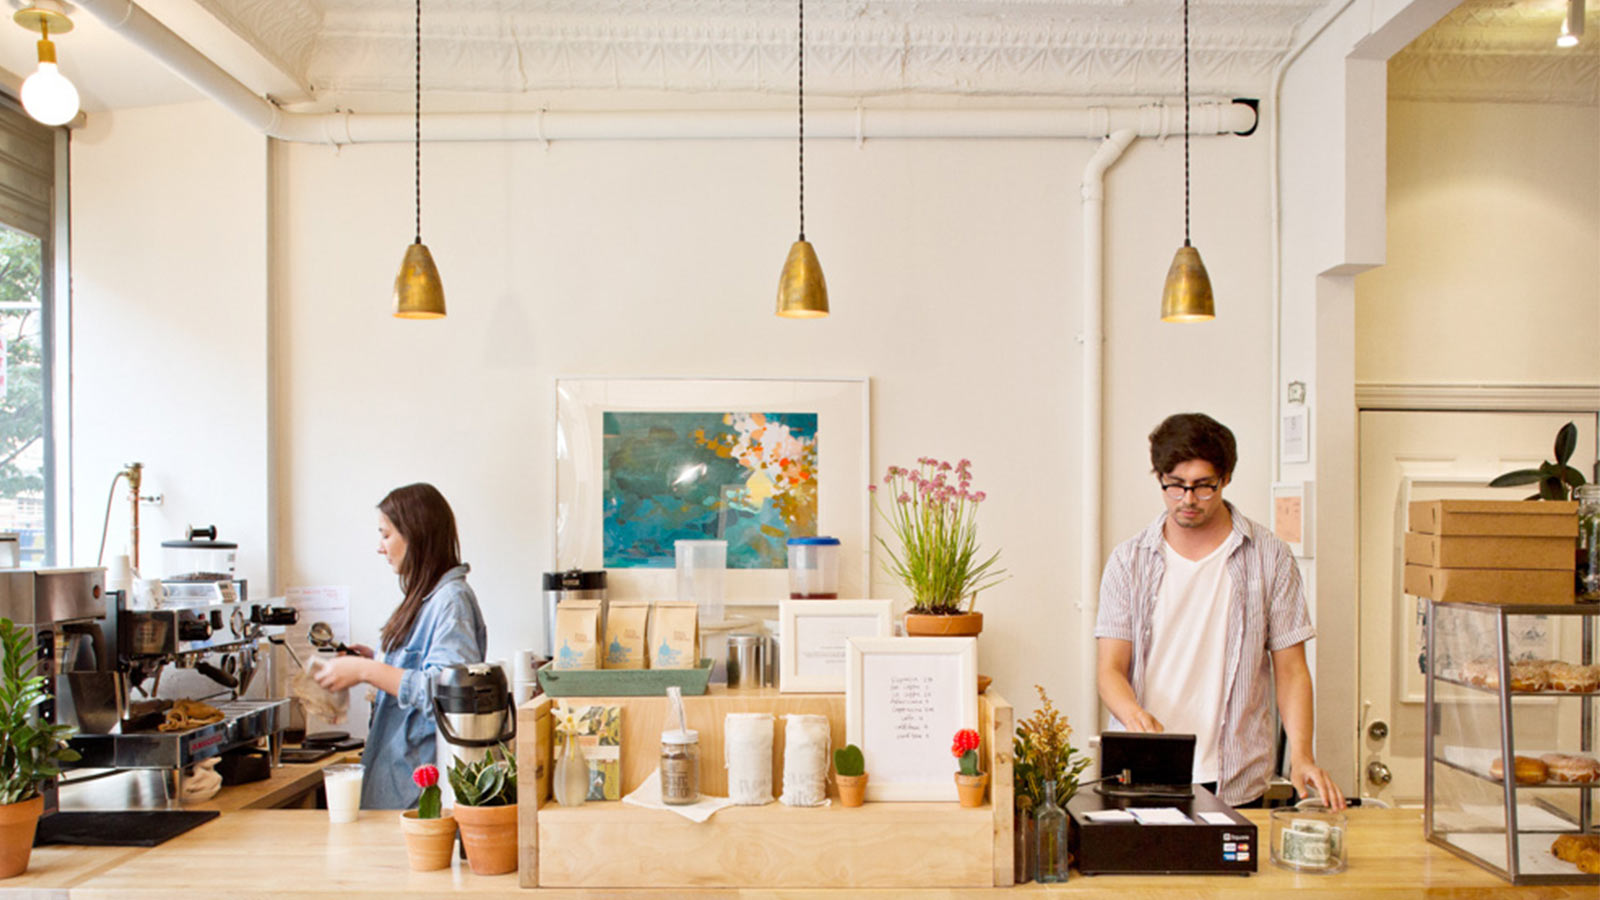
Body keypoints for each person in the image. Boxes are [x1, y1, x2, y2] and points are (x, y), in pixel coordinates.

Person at [1094, 413, 1345, 810]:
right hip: (1144, 771)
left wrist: (1302, 755)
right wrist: (1133, 715)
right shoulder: (1129, 561)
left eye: (1202, 486)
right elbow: (1110, 669)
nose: (1188, 499)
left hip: (1236, 777)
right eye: (1174, 486)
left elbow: (1292, 670)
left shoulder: (1269, 557)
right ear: (1159, 477)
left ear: (1225, 478)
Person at [313, 482, 487, 809]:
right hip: (392, 783)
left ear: (415, 534)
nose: (380, 547)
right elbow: (417, 670)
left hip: (415, 793)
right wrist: (374, 658)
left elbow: (449, 690)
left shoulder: (452, 601)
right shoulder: (427, 598)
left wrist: (367, 670)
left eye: (386, 534)